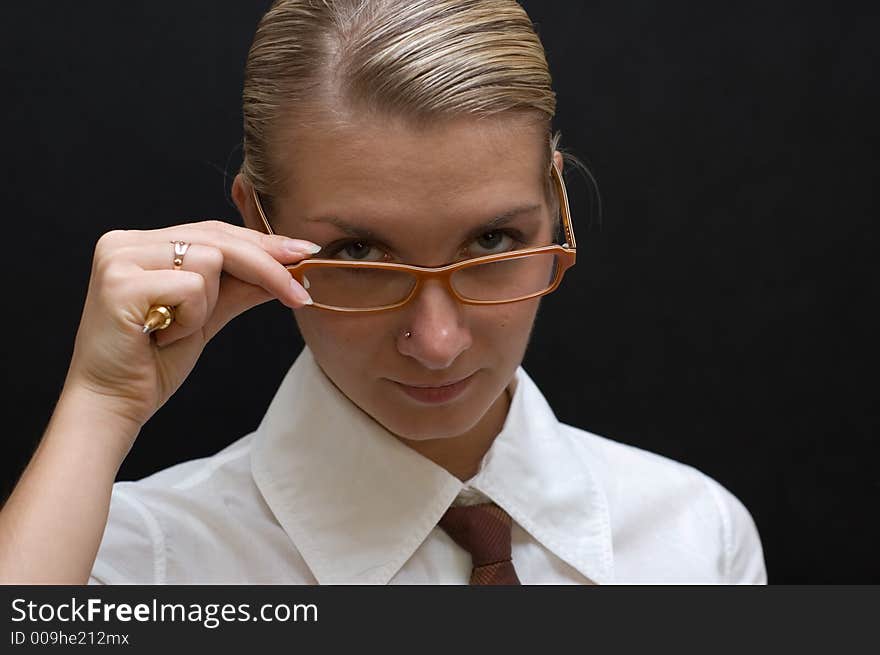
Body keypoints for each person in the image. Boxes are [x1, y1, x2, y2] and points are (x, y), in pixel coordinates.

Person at [0, 0, 765, 585]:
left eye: (493, 240)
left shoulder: (697, 536)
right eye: (358, 251)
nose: (437, 343)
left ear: (557, 209)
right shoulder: (136, 561)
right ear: (252, 224)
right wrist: (101, 402)